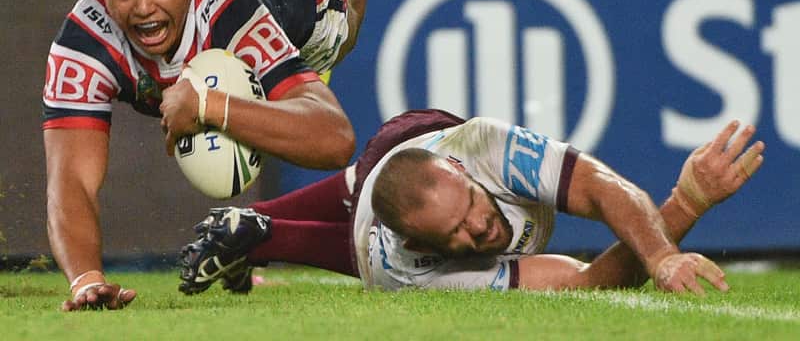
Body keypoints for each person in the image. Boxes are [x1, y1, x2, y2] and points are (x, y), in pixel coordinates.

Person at [44, 0, 443, 311]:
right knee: (280, 97)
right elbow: (70, 179)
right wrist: (85, 278)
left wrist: (212, 108)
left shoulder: (231, 12)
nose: (143, 9)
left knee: (347, 16)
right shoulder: (84, 42)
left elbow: (336, 138)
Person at [178, 110, 764, 295]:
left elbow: (601, 187)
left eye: (474, 207)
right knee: (349, 240)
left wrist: (664, 251)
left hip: (414, 137)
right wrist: (686, 206)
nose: (481, 230)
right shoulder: (413, 266)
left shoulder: (482, 145)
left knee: (367, 178)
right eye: (457, 233)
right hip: (376, 233)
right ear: (424, 246)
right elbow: (588, 281)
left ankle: (255, 228)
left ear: (461, 172)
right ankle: (262, 234)